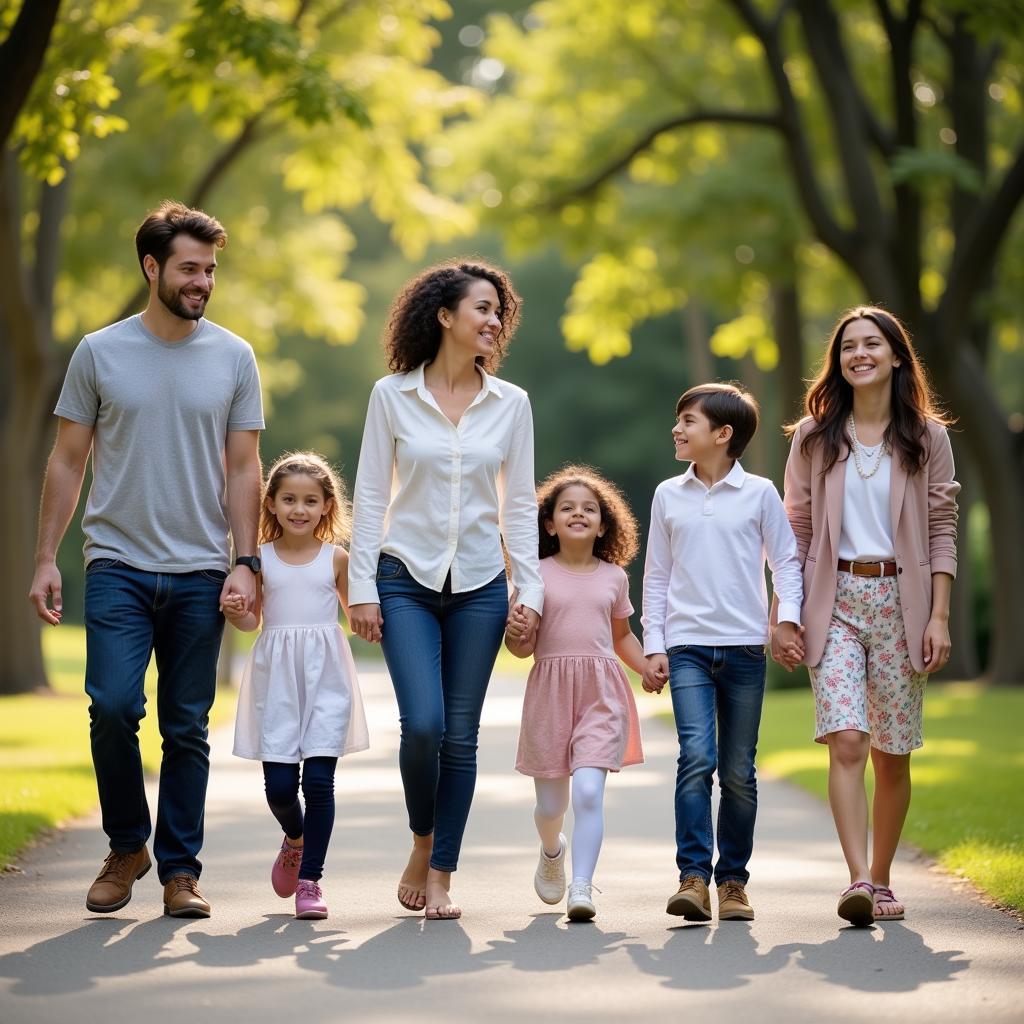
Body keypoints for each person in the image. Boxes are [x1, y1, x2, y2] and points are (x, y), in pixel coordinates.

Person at [28, 201, 264, 918]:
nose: (202, 282)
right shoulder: (100, 353)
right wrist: (45, 557)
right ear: (152, 267)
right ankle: (127, 844)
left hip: (199, 568)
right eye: (190, 269)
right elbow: (68, 461)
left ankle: (180, 872)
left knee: (186, 726)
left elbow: (244, 467)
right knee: (112, 706)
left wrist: (246, 561)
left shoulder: (234, 356)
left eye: (211, 270)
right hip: (117, 563)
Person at [347, 260, 543, 920]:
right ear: (444, 316)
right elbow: (371, 494)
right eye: (482, 309)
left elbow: (519, 505)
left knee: (461, 737)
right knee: (423, 727)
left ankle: (440, 873)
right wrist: (361, 588)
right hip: (405, 579)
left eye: (499, 312)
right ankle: (422, 838)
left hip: (483, 586)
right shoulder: (391, 396)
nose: (494, 321)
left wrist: (529, 591)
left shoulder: (511, 403)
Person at [778, 307, 958, 927]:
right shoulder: (814, 436)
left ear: (897, 357)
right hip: (835, 603)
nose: (859, 354)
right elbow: (794, 529)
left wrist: (939, 616)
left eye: (872, 344)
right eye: (848, 346)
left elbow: (941, 530)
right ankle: (857, 879)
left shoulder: (927, 438)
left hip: (902, 605)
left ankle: (882, 879)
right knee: (847, 738)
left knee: (891, 753)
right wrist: (787, 612)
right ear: (839, 361)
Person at [642, 382, 804, 923]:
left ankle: (733, 882)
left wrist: (785, 622)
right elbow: (657, 576)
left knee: (738, 771)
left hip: (743, 650)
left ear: (723, 434)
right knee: (697, 759)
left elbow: (786, 563)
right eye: (678, 418)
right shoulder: (668, 494)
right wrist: (654, 644)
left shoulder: (759, 494)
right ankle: (693, 878)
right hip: (686, 646)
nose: (678, 428)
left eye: (688, 420)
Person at [226, 452, 369, 920]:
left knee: (321, 782)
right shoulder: (259, 560)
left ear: (328, 505)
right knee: (280, 789)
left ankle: (311, 881)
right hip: (278, 682)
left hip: (326, 678)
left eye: (310, 500)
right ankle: (295, 838)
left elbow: (357, 616)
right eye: (289, 499)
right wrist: (237, 611)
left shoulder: (337, 559)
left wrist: (377, 616)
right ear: (270, 503)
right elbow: (252, 621)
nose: (299, 509)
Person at [505, 465, 646, 922]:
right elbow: (521, 647)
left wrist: (648, 666)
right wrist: (517, 632)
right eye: (567, 508)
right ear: (549, 523)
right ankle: (552, 850)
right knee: (551, 806)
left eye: (589, 508)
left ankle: (582, 886)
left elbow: (621, 636)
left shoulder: (614, 578)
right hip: (549, 692)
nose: (578, 514)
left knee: (588, 792)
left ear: (604, 524)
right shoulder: (534, 576)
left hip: (601, 693)